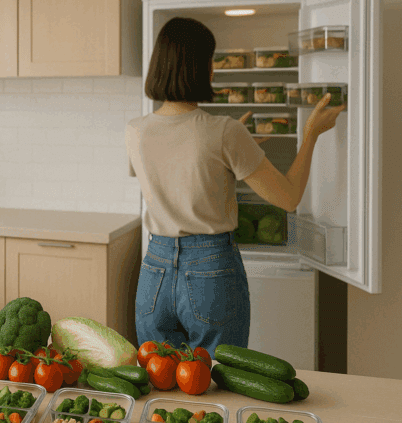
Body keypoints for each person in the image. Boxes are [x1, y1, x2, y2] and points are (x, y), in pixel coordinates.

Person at [126, 17, 344, 356]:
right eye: (210, 59)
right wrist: (311, 133)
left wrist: (236, 146)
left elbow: (180, 169)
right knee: (217, 378)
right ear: (200, 67)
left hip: (154, 270)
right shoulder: (225, 132)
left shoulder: (135, 130)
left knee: (160, 376)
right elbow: (288, 197)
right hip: (210, 269)